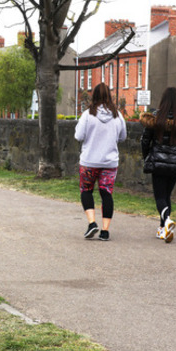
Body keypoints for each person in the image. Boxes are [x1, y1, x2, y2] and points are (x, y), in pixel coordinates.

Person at [74, 83, 127, 241]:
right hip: (109, 162)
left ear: (93, 96)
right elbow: (123, 137)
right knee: (106, 193)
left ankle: (92, 223)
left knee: (86, 190)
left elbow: (78, 136)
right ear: (109, 96)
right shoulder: (117, 115)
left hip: (90, 160)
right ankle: (105, 230)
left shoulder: (88, 115)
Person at [140, 87, 176, 243]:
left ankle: (167, 221)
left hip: (158, 162)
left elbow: (145, 140)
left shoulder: (156, 118)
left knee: (159, 196)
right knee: (167, 196)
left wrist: (147, 156)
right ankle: (163, 229)